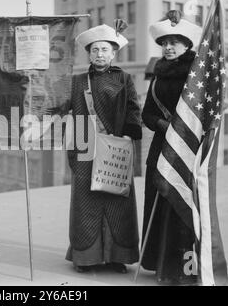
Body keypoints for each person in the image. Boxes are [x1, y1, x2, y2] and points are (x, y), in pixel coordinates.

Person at [66, 23, 142, 274]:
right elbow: (58, 107)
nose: (99, 54)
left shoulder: (124, 78)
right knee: (86, 203)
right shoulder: (77, 82)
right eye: (95, 50)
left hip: (115, 149)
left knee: (116, 203)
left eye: (105, 50)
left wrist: (128, 135)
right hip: (85, 150)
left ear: (113, 53)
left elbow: (133, 108)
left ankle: (116, 257)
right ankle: (85, 258)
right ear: (89, 53)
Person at [141, 11, 202, 285]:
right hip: (161, 146)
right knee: (159, 199)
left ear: (187, 45)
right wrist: (162, 125)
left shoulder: (196, 75)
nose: (168, 47)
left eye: (175, 42)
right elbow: (146, 115)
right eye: (165, 42)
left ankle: (181, 269)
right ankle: (159, 265)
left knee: (179, 205)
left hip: (187, 149)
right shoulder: (157, 74)